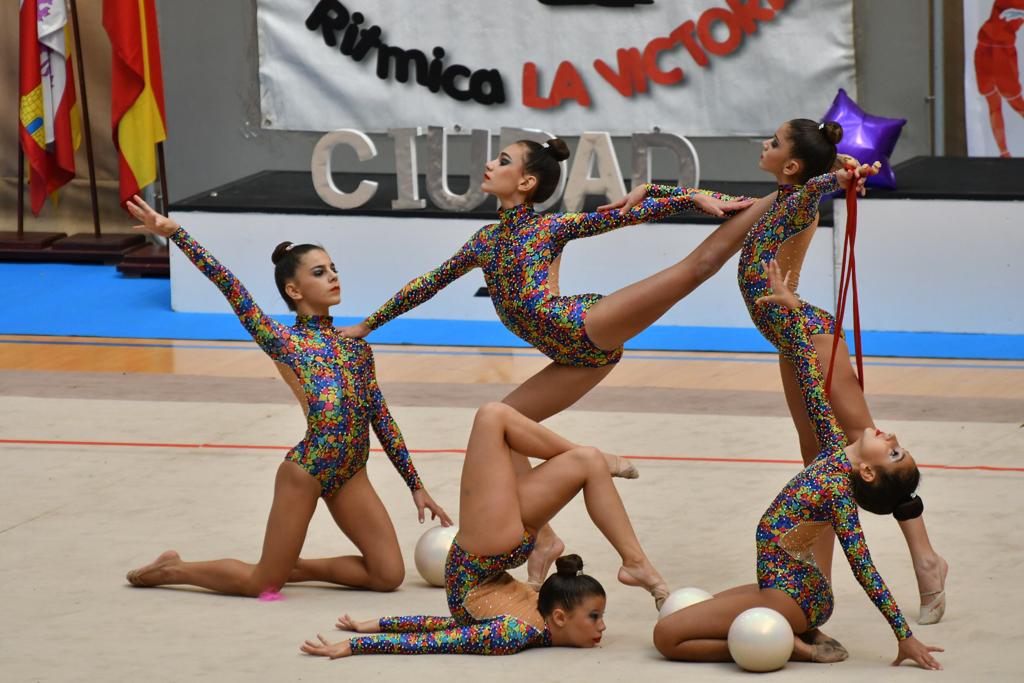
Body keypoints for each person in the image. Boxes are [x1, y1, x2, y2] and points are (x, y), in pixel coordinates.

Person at [340, 137, 770, 583]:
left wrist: (690, 197)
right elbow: (429, 283)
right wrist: (368, 325)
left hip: (586, 325)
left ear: (526, 182)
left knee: (695, 269)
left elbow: (627, 215)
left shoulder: (549, 228)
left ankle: (782, 197)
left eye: (502, 160)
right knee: (502, 429)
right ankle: (549, 540)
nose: (489, 164)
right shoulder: (485, 241)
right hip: (574, 360)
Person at [618, 119, 947, 624]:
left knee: (863, 440)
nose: (763, 144)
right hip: (790, 339)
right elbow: (715, 200)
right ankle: (820, 577)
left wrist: (840, 176)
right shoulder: (776, 200)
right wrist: (651, 190)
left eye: (772, 142)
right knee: (818, 464)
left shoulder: (798, 200)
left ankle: (926, 558)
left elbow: (816, 186)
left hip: (811, 334)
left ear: (791, 164)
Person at [123, 195, 452, 597]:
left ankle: (292, 566)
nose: (333, 276)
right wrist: (177, 234)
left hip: (351, 471)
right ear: (294, 290)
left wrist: (415, 485)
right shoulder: (284, 341)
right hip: (308, 470)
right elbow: (230, 286)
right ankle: (174, 569)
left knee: (387, 575)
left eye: (334, 268)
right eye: (320, 272)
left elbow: (380, 417)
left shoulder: (357, 348)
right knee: (262, 584)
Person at [652, 261, 944, 670]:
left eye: (894, 453)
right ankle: (805, 632)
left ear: (868, 472)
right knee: (702, 609)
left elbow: (865, 568)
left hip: (790, 597)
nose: (892, 437)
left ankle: (797, 647)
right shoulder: (832, 451)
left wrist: (904, 636)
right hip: (789, 586)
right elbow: (809, 375)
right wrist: (792, 311)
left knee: (666, 637)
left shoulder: (838, 491)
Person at [300, 402, 668, 658]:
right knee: (581, 459)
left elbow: (443, 634)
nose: (603, 627)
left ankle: (587, 523)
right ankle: (633, 559)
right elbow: (445, 632)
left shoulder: (515, 631)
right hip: (490, 552)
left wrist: (366, 634)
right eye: (595, 616)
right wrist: (370, 629)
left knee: (496, 418)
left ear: (559, 617)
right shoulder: (522, 628)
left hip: (487, 554)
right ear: (559, 616)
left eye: (597, 616)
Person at [974, 1, 1024, 157]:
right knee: (993, 102)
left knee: (1017, 103)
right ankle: (1004, 152)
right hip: (984, 46)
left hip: (1004, 50)